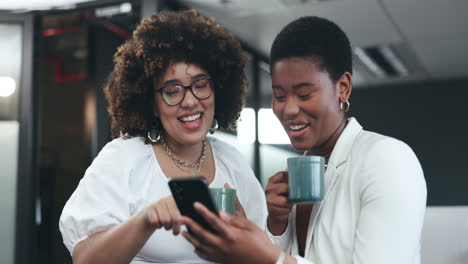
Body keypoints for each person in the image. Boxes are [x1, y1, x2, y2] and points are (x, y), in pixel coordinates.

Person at [181, 16, 427, 264]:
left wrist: (269, 256)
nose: (288, 109)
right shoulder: (301, 174)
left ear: (343, 87)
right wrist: (275, 225)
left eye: (304, 94)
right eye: (279, 96)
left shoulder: (387, 158)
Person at [59, 9, 267, 264]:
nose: (190, 101)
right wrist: (145, 220)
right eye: (172, 91)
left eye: (200, 85)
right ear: (152, 102)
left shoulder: (232, 162)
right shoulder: (124, 158)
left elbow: (266, 255)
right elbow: (86, 259)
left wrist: (244, 238)